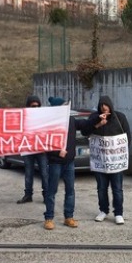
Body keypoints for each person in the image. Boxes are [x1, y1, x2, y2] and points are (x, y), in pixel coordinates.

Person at [84, 96, 131, 225]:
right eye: (101, 106)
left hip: (115, 162)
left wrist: (122, 152)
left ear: (110, 106)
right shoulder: (94, 117)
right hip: (100, 162)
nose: (104, 108)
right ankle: (103, 210)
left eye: (106, 106)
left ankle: (119, 213)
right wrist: (99, 124)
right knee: (101, 188)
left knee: (117, 189)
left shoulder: (120, 117)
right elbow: (84, 132)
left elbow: (127, 136)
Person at [43, 98, 88, 230]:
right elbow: (44, 142)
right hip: (55, 162)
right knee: (52, 190)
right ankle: (49, 218)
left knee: (70, 190)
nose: (67, 108)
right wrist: (57, 152)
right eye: (64, 106)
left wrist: (98, 120)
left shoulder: (71, 121)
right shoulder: (49, 123)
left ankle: (69, 217)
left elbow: (86, 124)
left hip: (69, 162)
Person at [17, 96, 50, 204]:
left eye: (37, 106)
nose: (35, 108)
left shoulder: (44, 117)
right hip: (28, 148)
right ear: (28, 106)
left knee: (44, 173)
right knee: (28, 173)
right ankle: (28, 195)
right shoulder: (23, 117)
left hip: (41, 149)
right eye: (33, 106)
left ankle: (46, 195)